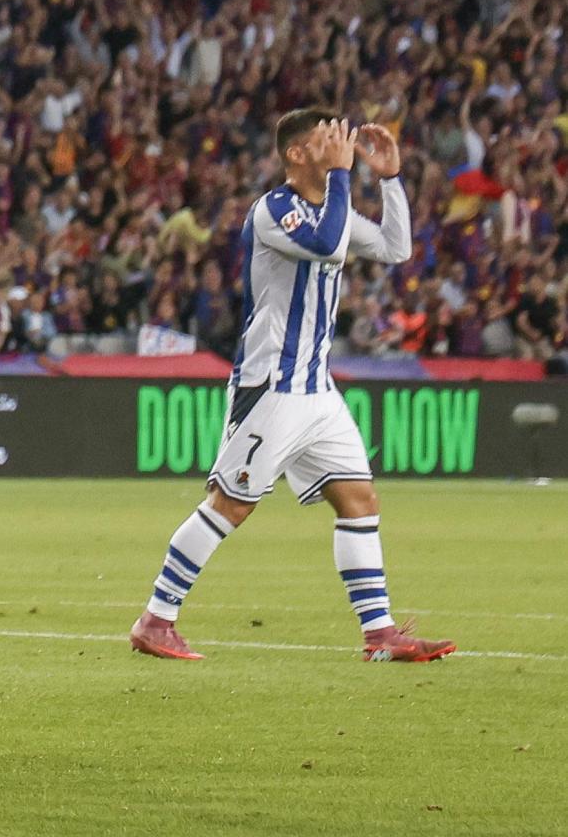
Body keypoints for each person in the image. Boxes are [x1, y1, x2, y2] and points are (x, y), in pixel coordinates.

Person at [128, 113, 454, 664]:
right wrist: (344, 175)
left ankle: (380, 634)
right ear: (297, 155)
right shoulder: (274, 211)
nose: (337, 147)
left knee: (358, 499)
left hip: (317, 389)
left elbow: (397, 249)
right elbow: (329, 245)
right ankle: (156, 619)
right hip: (273, 384)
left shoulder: (333, 208)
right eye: (324, 142)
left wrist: (391, 178)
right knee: (230, 504)